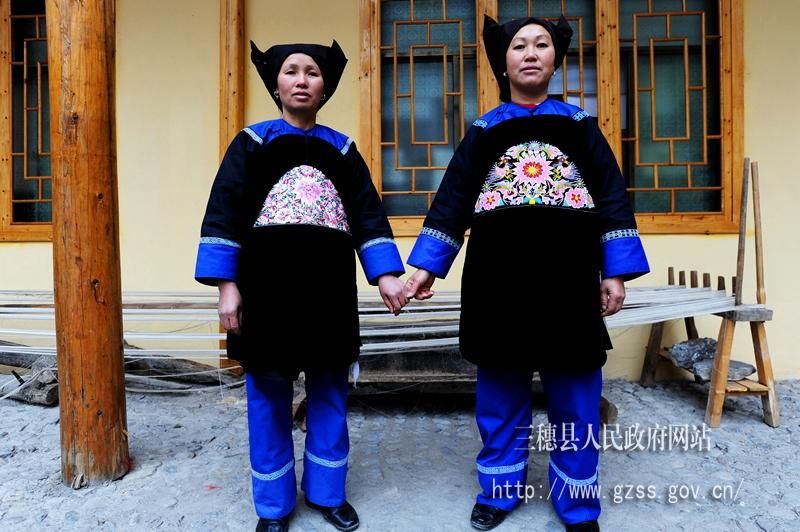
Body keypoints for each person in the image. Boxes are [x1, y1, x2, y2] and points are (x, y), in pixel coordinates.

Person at [404, 15, 649, 532]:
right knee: (500, 392)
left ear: (556, 61)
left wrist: (615, 272)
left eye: (541, 44)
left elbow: (611, 197)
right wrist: (426, 269)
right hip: (498, 282)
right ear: (504, 62)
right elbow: (452, 202)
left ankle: (577, 502)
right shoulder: (484, 131)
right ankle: (499, 490)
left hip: (569, 282)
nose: (531, 53)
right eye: (519, 46)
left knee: (576, 393)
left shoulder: (580, 127)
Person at [195, 39, 407, 532]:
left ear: (324, 86)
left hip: (329, 294)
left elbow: (368, 216)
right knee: (268, 397)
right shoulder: (252, 143)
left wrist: (386, 275)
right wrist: (227, 286)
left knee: (330, 392)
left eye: (312, 72)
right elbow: (223, 214)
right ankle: (273, 506)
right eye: (291, 71)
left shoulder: (343, 149)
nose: (302, 80)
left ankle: (327, 492)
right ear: (276, 84)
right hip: (265, 293)